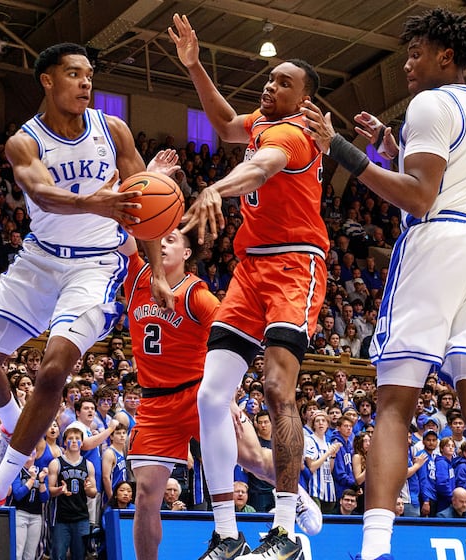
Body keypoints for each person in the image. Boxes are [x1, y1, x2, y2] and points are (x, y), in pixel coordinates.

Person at [301, 8, 466, 560]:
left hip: (443, 242)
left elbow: (421, 198)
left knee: (395, 402)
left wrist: (341, 150)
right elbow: (447, 178)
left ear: (446, 55)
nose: (407, 65)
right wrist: (390, 150)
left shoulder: (430, 101)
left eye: (416, 53)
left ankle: (374, 549)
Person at [0, 42, 175, 542]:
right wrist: (98, 200)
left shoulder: (113, 131)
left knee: (52, 371)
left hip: (95, 268)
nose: (86, 83)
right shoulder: (23, 142)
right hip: (38, 260)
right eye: (74, 74)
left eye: (90, 74)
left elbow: (144, 208)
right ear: (47, 80)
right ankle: (11, 425)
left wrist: (156, 269)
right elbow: (44, 193)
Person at [170, 14, 329, 559]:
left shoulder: (294, 135)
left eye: (285, 82)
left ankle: (283, 529)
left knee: (279, 390)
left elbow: (259, 168)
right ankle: (226, 532)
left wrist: (216, 187)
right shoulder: (262, 122)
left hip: (294, 266)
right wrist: (194, 66)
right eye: (270, 78)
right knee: (211, 396)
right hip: (249, 271)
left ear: (305, 101)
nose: (270, 85)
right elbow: (223, 125)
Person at [120, 226, 322, 560]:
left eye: (172, 240)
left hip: (200, 395)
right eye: (161, 239)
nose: (163, 244)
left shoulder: (197, 294)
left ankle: (294, 493)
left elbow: (233, 342)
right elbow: (124, 232)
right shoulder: (137, 275)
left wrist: (227, 396)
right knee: (145, 496)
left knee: (255, 460)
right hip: (155, 402)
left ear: (187, 254)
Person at [47, 426, 98, 560]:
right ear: (64, 442)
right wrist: (59, 490)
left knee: (79, 555)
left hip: (81, 517)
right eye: (70, 439)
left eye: (77, 439)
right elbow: (50, 491)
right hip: (60, 518)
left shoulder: (88, 465)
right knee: (58, 556)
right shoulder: (56, 463)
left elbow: (94, 492)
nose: (74, 441)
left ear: (82, 443)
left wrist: (88, 489)